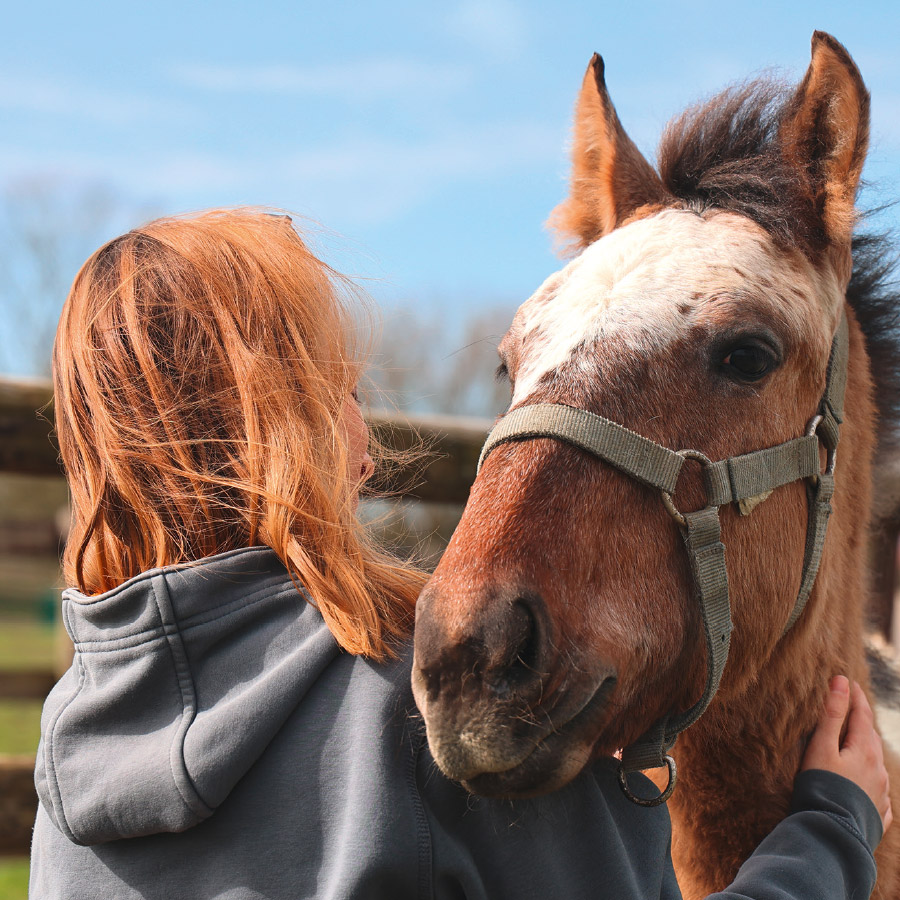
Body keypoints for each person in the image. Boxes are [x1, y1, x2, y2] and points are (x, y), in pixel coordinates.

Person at [30, 208, 891, 900]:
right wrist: (831, 834)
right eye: (344, 390)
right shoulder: (419, 707)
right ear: (284, 428)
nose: (366, 442)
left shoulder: (72, 752)